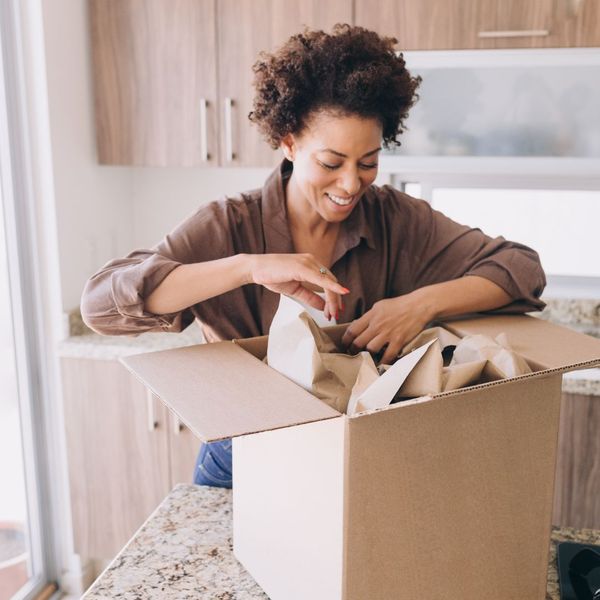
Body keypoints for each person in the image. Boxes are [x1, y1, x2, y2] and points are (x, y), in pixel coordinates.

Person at [80, 24, 546, 489]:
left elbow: (520, 269)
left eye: (368, 162)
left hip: (358, 452)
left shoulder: (395, 220)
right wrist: (248, 267)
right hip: (244, 456)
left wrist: (419, 304)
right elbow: (101, 306)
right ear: (289, 142)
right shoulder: (229, 224)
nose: (350, 184)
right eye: (331, 162)